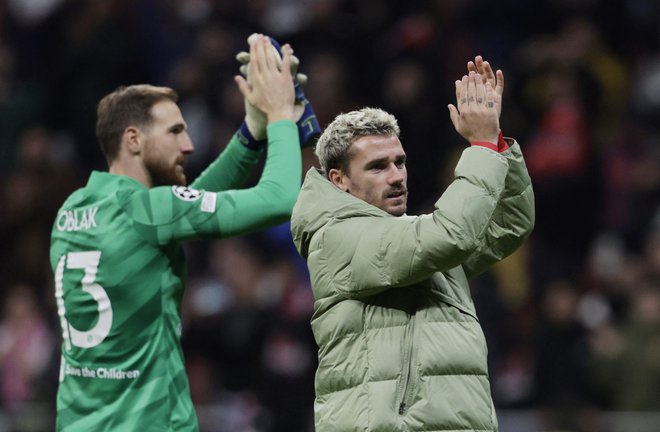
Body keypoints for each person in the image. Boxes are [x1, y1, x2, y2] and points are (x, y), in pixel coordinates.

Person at [50, 35, 303, 431]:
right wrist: (281, 116)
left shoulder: (74, 210)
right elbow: (280, 199)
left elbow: (186, 206)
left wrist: (250, 136)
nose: (188, 144)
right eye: (174, 131)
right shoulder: (149, 211)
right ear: (133, 139)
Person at [290, 57, 535, 431]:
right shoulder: (335, 238)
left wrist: (497, 143)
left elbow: (510, 224)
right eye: (377, 166)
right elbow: (449, 236)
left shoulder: (415, 235)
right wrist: (481, 146)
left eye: (399, 162)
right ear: (339, 180)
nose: (396, 177)